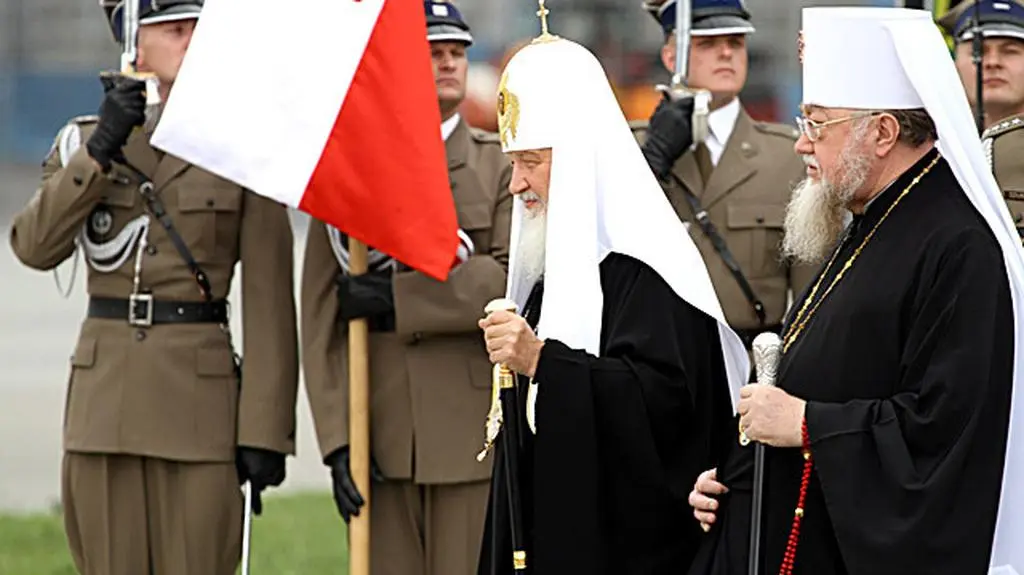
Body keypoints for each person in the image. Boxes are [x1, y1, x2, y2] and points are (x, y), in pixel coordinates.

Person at [686, 7, 1024, 575]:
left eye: (816, 124)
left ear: (883, 132)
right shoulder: (873, 217)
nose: (801, 144)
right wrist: (735, 477)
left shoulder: (958, 245)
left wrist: (803, 424)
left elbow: (943, 434)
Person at [7, 1, 299, 573]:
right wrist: (101, 149)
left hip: (200, 411)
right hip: (105, 409)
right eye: (173, 30)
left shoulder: (241, 148)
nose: (191, 42)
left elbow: (269, 302)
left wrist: (266, 428)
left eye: (197, 29)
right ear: (134, 43)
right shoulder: (86, 144)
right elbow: (34, 246)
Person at [475, 7, 749, 574]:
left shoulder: (650, 270)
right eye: (511, 162)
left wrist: (543, 362)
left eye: (531, 161)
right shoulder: (547, 267)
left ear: (579, 163)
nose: (517, 183)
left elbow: (667, 414)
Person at [300, 2, 512, 573]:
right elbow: (320, 318)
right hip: (381, 432)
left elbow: (507, 279)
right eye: (432, 53)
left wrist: (401, 300)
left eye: (457, 53)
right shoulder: (351, 169)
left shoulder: (498, 166)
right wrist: (338, 441)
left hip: (471, 434)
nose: (449, 64)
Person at [633, 0, 816, 351]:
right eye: (707, 44)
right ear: (671, 57)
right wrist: (652, 160)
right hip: (656, 363)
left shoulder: (787, 155)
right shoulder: (632, 149)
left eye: (735, 43)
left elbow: (810, 292)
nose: (726, 54)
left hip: (750, 365)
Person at [938, 0, 1024, 238]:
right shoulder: (935, 150)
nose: (992, 62)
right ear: (955, 64)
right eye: (979, 50)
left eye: (1010, 51)